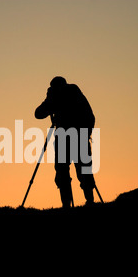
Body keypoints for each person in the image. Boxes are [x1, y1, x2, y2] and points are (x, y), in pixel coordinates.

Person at [35, 76, 96, 208]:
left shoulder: (64, 94)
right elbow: (38, 114)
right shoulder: (72, 92)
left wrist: (50, 101)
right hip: (75, 138)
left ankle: (71, 204)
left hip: (71, 137)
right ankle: (86, 202)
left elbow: (38, 113)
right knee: (79, 170)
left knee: (69, 171)